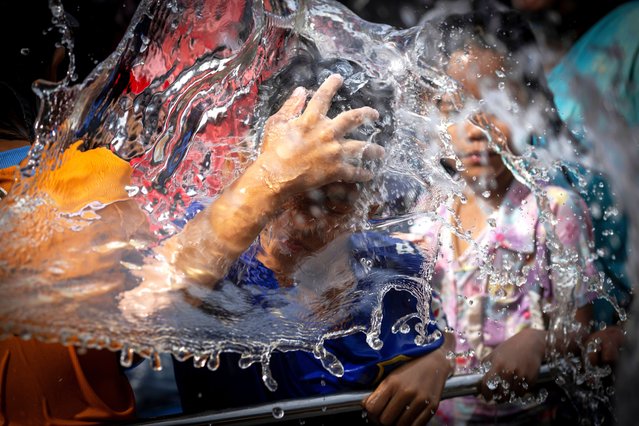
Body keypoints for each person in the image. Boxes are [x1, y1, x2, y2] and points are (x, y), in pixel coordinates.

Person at [165, 56, 455, 426]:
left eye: (332, 206)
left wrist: (439, 357)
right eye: (285, 194)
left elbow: (439, 330)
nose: (301, 223)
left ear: (371, 204)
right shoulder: (212, 250)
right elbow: (142, 308)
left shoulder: (393, 270)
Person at [362, 11, 597, 424]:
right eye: (454, 108)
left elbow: (578, 330)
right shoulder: (428, 216)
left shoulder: (555, 210)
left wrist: (540, 340)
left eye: (497, 105)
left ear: (529, 107)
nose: (475, 129)